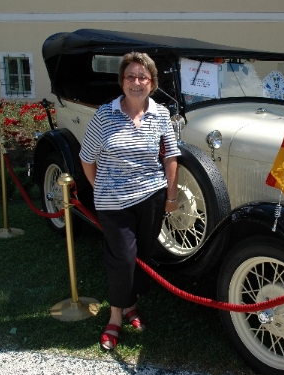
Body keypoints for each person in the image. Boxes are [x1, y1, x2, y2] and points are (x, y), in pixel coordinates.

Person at [79, 52, 181, 350]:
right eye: (130, 77)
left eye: (142, 77)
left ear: (152, 82)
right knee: (122, 259)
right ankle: (114, 317)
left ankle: (131, 305)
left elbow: (171, 156)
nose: (136, 82)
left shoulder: (161, 114)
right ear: (122, 81)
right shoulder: (105, 114)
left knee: (142, 257)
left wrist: (171, 196)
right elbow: (87, 159)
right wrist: (102, 188)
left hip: (151, 196)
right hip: (114, 203)